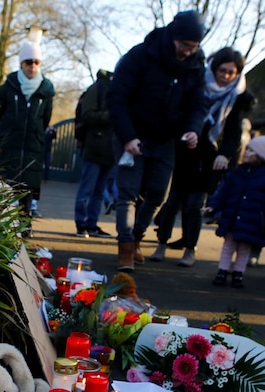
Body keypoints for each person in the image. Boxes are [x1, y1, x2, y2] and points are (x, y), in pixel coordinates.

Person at [106, 10, 208, 271]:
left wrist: (193, 129)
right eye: (184, 45)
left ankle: (138, 237)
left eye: (194, 47)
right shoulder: (141, 55)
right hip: (133, 132)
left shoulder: (196, 64)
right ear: (173, 37)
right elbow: (117, 97)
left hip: (165, 138)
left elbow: (198, 103)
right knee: (127, 194)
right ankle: (125, 248)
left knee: (158, 194)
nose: (188, 51)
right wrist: (128, 137)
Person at [148, 47, 255, 267]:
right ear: (214, 68)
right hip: (183, 149)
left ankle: (190, 249)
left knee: (195, 205)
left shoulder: (237, 97)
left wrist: (225, 154)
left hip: (209, 156)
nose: (225, 76)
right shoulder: (197, 85)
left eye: (231, 72)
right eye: (222, 70)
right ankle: (161, 244)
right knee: (172, 201)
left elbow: (234, 130)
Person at [207, 127, 265, 288]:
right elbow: (225, 192)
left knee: (244, 249)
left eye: (252, 151)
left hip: (252, 221)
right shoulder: (239, 173)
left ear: (263, 156)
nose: (246, 152)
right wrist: (213, 206)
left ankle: (238, 273)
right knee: (228, 246)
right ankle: (223, 271)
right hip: (233, 218)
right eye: (248, 148)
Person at [0, 36, 55, 237]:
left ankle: (24, 231)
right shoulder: (9, 86)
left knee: (26, 193)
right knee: (5, 191)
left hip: (31, 151)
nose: (33, 66)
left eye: (37, 62)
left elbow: (45, 120)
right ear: (22, 63)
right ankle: (0, 231)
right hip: (9, 147)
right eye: (29, 62)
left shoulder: (46, 92)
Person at [73, 69, 115, 238]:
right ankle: (81, 223)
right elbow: (87, 116)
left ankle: (91, 224)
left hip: (109, 150)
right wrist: (110, 115)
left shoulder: (117, 90)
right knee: (87, 189)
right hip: (94, 147)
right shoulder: (96, 89)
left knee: (99, 191)